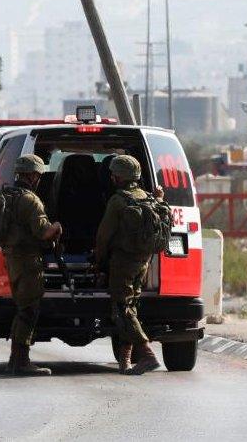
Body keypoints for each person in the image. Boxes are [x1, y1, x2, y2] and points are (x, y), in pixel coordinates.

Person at [95, 155, 165, 375]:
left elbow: (103, 237)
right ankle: (125, 360)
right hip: (143, 260)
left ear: (117, 177)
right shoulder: (148, 198)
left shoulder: (118, 201)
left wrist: (100, 262)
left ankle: (146, 354)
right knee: (131, 307)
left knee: (122, 309)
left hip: (123, 262)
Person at [2, 154, 62, 376]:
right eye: (38, 175)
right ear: (33, 175)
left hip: (11, 256)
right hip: (27, 260)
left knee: (23, 306)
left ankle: (16, 359)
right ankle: (21, 360)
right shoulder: (30, 199)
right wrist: (56, 226)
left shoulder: (7, 195)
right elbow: (43, 231)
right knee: (29, 309)